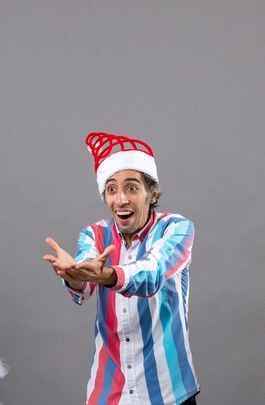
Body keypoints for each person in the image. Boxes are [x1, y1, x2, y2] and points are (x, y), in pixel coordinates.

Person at [44, 132, 199, 405]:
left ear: (153, 194)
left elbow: (153, 274)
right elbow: (83, 289)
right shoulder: (94, 235)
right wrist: (74, 276)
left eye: (131, 188)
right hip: (108, 395)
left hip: (168, 394)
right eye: (112, 189)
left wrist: (108, 275)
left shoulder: (176, 228)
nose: (121, 199)